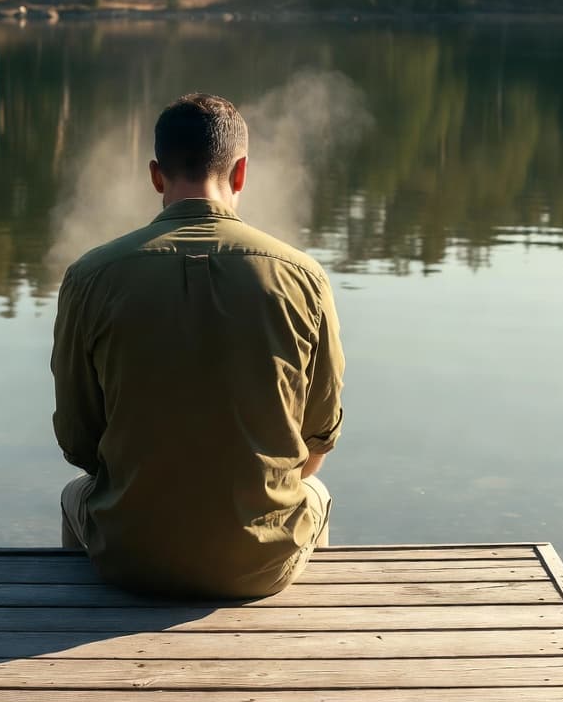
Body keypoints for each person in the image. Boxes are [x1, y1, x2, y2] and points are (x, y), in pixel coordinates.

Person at [51, 92, 344, 598]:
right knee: (314, 491)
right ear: (241, 173)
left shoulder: (90, 276)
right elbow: (318, 436)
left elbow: (79, 442)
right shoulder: (302, 277)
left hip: (129, 558)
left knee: (74, 495)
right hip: (261, 565)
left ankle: (81, 621)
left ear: (156, 175)